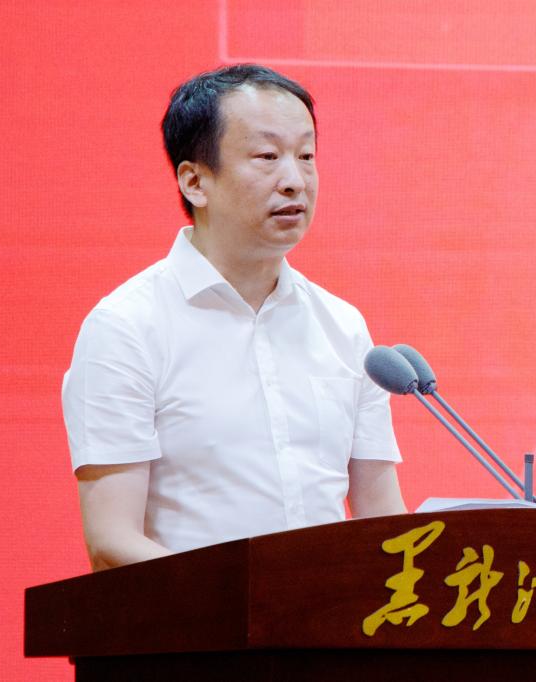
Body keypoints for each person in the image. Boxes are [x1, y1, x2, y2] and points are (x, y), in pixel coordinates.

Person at [61, 64, 406, 571]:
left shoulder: (344, 327)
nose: (295, 181)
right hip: (197, 620)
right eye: (267, 157)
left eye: (306, 156)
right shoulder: (126, 328)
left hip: (325, 620)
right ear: (195, 181)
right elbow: (112, 542)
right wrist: (253, 601)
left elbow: (384, 522)